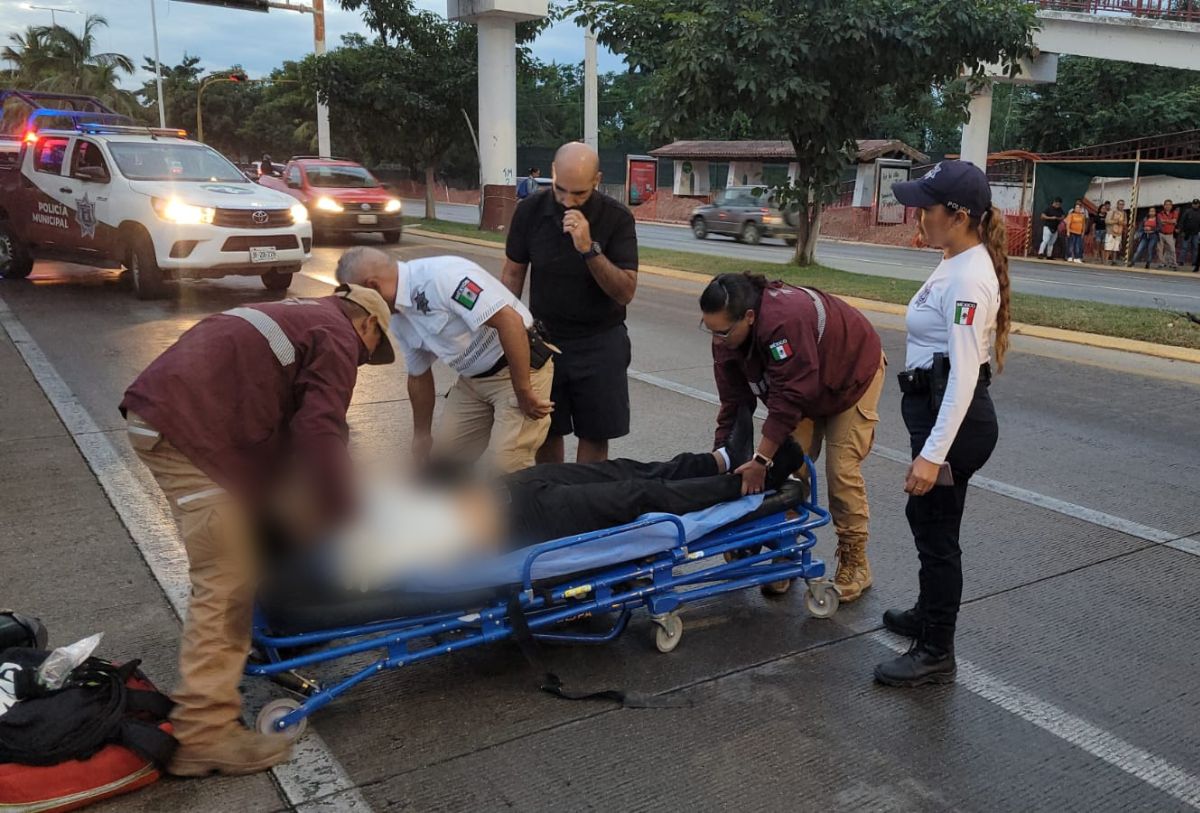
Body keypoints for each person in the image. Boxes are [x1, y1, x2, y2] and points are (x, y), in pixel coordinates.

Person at [120, 284, 396, 775]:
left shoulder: (304, 316)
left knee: (274, 518)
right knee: (226, 584)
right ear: (368, 325)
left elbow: (289, 433)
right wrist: (351, 519)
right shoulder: (338, 336)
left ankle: (272, 630)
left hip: (172, 415)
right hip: (192, 433)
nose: (362, 361)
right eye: (370, 353)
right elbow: (321, 434)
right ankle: (204, 735)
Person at [335, 429, 807, 591]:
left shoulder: (361, 510)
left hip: (510, 489)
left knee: (619, 469)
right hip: (520, 522)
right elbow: (448, 547)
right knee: (637, 499)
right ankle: (743, 486)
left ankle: (719, 460)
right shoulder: (366, 555)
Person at [876, 160, 1009, 687]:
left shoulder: (970, 278)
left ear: (957, 216)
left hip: (951, 421)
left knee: (935, 534)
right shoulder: (955, 257)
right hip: (934, 409)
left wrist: (933, 455)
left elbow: (962, 378)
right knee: (930, 523)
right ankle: (927, 613)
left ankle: (935, 650)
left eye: (925, 208)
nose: (917, 215)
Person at [701, 272, 885, 602]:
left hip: (851, 376)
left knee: (840, 470)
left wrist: (759, 460)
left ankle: (856, 563)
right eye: (710, 329)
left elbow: (788, 399)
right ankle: (786, 549)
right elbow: (733, 406)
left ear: (750, 317)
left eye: (723, 331)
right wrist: (724, 459)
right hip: (807, 386)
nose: (717, 339)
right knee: (788, 467)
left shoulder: (782, 322)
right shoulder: (726, 340)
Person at [335, 247, 555, 473]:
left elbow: (510, 321)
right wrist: (421, 435)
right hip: (473, 381)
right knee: (442, 464)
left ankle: (531, 504)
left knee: (506, 468)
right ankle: (463, 507)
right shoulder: (396, 315)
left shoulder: (442, 277)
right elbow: (418, 374)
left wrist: (523, 391)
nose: (362, 312)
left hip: (517, 369)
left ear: (373, 286)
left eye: (360, 303)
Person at [502, 141, 639, 465]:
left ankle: (586, 502)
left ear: (597, 180)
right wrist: (502, 330)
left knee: (595, 434)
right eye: (561, 190)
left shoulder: (616, 217)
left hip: (600, 341)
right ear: (552, 172)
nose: (567, 200)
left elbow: (625, 292)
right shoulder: (530, 211)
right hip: (545, 340)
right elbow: (512, 274)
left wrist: (589, 248)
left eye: (578, 193)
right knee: (546, 429)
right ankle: (555, 501)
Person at [1178, 198, 1200, 271]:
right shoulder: (1187, 211)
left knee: (1195, 248)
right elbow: (1182, 221)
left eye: (1196, 204)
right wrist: (1182, 231)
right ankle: (1181, 261)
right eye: (1194, 204)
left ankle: (1194, 263)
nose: (1195, 205)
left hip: (1196, 233)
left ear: (1198, 204)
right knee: (1184, 247)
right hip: (1187, 233)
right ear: (1192, 204)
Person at [1105, 199, 1128, 265]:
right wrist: (1116, 221)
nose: (1121, 206)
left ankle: (1113, 261)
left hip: (1119, 232)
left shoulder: (1124, 213)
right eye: (1120, 204)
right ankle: (1106, 261)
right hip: (1111, 232)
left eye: (1122, 204)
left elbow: (1125, 222)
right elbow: (1107, 221)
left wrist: (1122, 223)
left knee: (1116, 248)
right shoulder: (1112, 211)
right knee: (1108, 247)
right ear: (1117, 204)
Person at [1158, 199, 1179, 269]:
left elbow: (1174, 221)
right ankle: (1162, 263)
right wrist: (1171, 221)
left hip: (1170, 234)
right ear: (1164, 206)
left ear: (1171, 206)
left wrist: (1166, 221)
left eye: (1169, 205)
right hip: (1161, 234)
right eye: (1166, 204)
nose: (1168, 206)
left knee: (1172, 249)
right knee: (1160, 250)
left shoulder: (1174, 213)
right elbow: (1161, 222)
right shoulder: (1160, 213)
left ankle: (1173, 263)